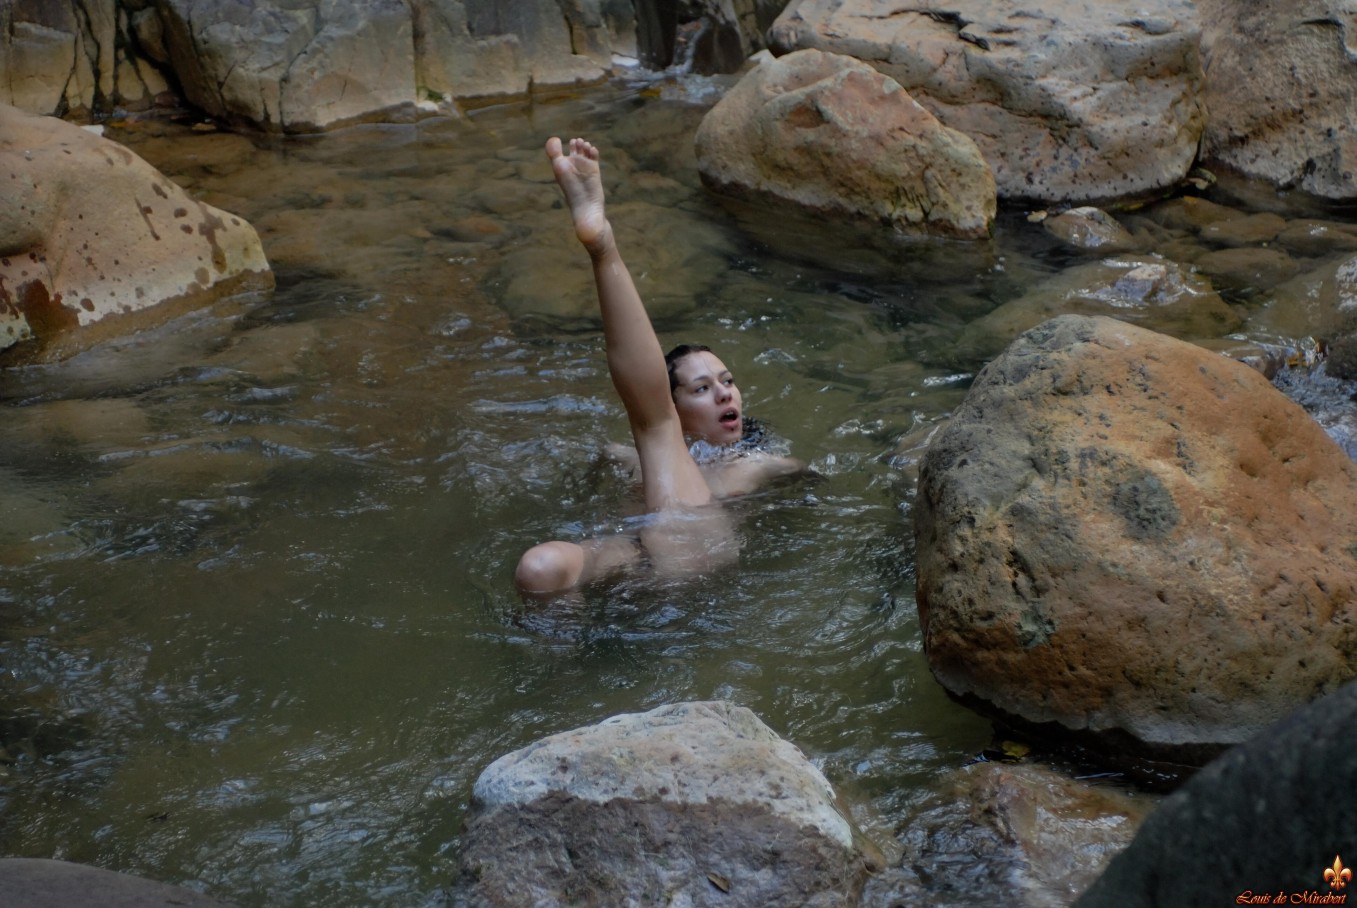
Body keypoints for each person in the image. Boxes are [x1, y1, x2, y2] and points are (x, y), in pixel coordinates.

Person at [514, 137, 802, 596]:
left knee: (655, 431)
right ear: (674, 404)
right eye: (702, 389)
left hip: (698, 557)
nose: (724, 393)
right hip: (633, 559)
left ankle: (603, 247)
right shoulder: (622, 457)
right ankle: (565, 641)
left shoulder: (764, 466)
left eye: (727, 382)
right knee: (540, 568)